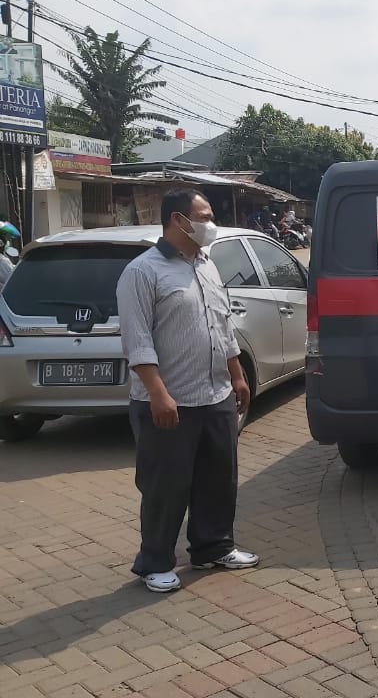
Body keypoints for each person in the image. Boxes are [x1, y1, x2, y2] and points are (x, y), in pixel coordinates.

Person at [116, 188, 259, 594]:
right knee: (166, 486)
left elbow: (222, 326)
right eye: (205, 216)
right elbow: (137, 341)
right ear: (179, 220)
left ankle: (213, 546)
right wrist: (158, 393)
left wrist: (237, 375)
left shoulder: (207, 265)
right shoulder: (142, 272)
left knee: (219, 479)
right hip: (169, 402)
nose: (210, 223)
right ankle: (155, 562)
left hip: (215, 395)